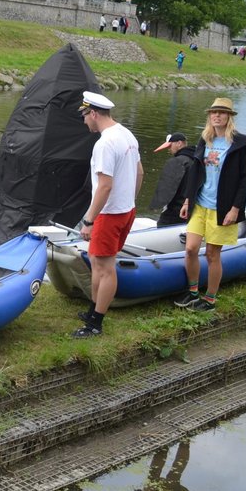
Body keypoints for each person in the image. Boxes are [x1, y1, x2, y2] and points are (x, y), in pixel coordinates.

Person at [73, 91, 143, 338]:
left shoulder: (104, 143)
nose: (84, 121)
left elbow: (104, 186)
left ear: (93, 113)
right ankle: (93, 310)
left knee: (105, 268)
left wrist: (89, 220)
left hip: (109, 213)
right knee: (98, 262)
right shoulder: (127, 134)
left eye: (84, 116)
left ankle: (95, 324)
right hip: (126, 210)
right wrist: (130, 201)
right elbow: (140, 173)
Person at [175, 98, 246, 312]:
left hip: (222, 208)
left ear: (229, 116)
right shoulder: (205, 139)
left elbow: (243, 178)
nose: (217, 116)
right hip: (199, 204)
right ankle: (192, 292)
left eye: (221, 112)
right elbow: (195, 171)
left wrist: (235, 209)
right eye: (213, 112)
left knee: (211, 254)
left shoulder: (240, 144)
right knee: (190, 249)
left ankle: (209, 299)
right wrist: (188, 199)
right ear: (209, 116)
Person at [149, 133, 195, 227]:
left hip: (175, 209)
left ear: (179, 143)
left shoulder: (177, 161)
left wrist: (156, 205)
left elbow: (167, 187)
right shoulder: (196, 159)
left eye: (170, 146)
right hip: (191, 208)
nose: (169, 150)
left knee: (162, 226)